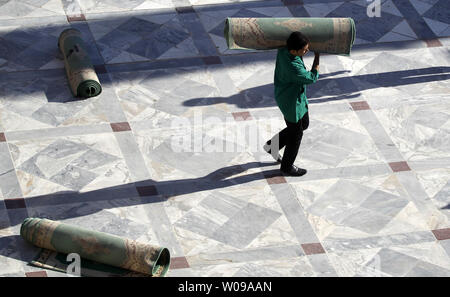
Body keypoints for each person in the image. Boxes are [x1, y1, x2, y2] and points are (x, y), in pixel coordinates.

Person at [263, 31, 320, 176]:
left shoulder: (284, 51)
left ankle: (272, 146)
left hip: (296, 97)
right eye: (304, 50)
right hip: (291, 102)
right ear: (294, 51)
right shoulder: (294, 68)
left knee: (304, 124)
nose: (307, 51)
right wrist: (317, 58)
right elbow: (312, 77)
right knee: (296, 134)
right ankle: (286, 167)